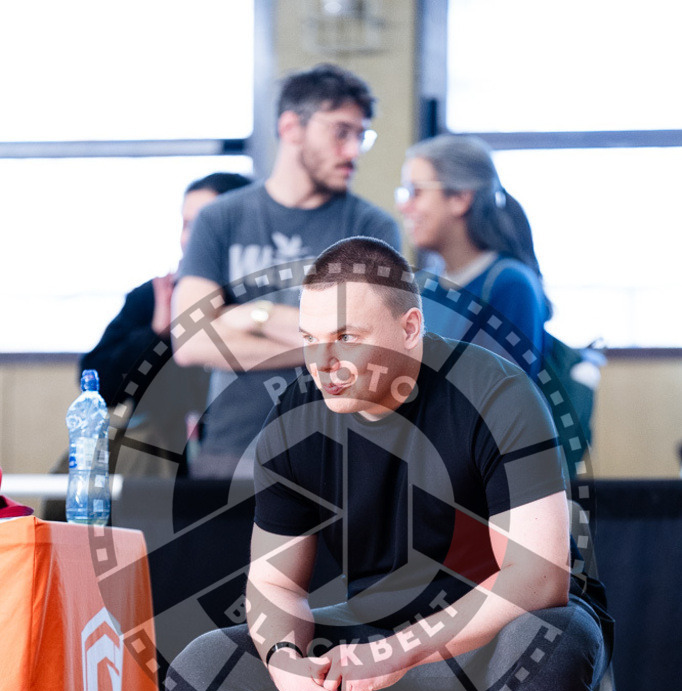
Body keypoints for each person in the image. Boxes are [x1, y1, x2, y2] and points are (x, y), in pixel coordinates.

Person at [166, 236, 611, 691]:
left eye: (346, 336)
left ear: (410, 330)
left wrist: (400, 649)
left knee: (552, 635)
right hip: (365, 634)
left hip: (492, 643)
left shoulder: (495, 392)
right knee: (201, 663)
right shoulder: (297, 417)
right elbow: (273, 582)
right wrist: (282, 659)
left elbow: (537, 577)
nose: (324, 361)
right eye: (310, 340)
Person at [172, 63, 401, 478]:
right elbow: (190, 342)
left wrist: (251, 316)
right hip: (230, 453)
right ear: (292, 127)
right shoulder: (220, 219)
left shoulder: (372, 229)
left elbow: (373, 354)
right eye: (340, 132)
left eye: (360, 135)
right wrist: (326, 342)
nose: (353, 151)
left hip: (339, 458)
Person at [80, 171, 251, 477]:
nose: (192, 237)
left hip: (244, 468)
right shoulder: (156, 296)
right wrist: (156, 335)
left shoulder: (266, 301)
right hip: (160, 478)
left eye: (204, 224)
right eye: (187, 225)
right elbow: (96, 381)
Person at [396, 133, 550, 382]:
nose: (403, 206)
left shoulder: (510, 285)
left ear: (460, 199)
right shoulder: (424, 286)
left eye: (416, 192)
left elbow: (506, 401)